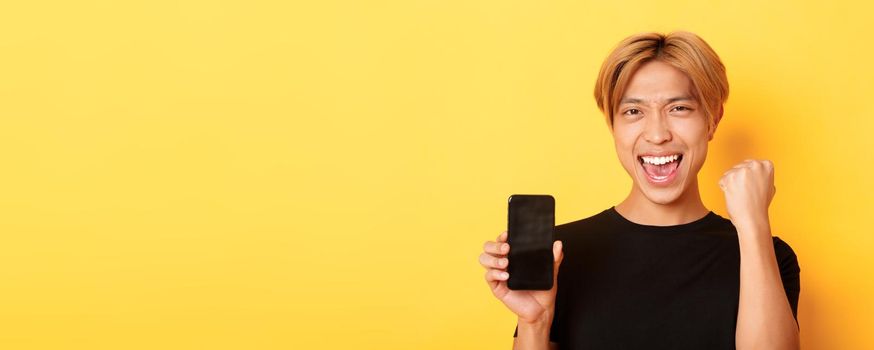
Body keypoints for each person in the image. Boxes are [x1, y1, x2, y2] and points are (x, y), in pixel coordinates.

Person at [478, 31, 801, 349]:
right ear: (613, 126)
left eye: (679, 108)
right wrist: (535, 321)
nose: (657, 134)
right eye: (633, 111)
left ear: (712, 120)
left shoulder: (767, 255)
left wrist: (753, 225)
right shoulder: (559, 256)